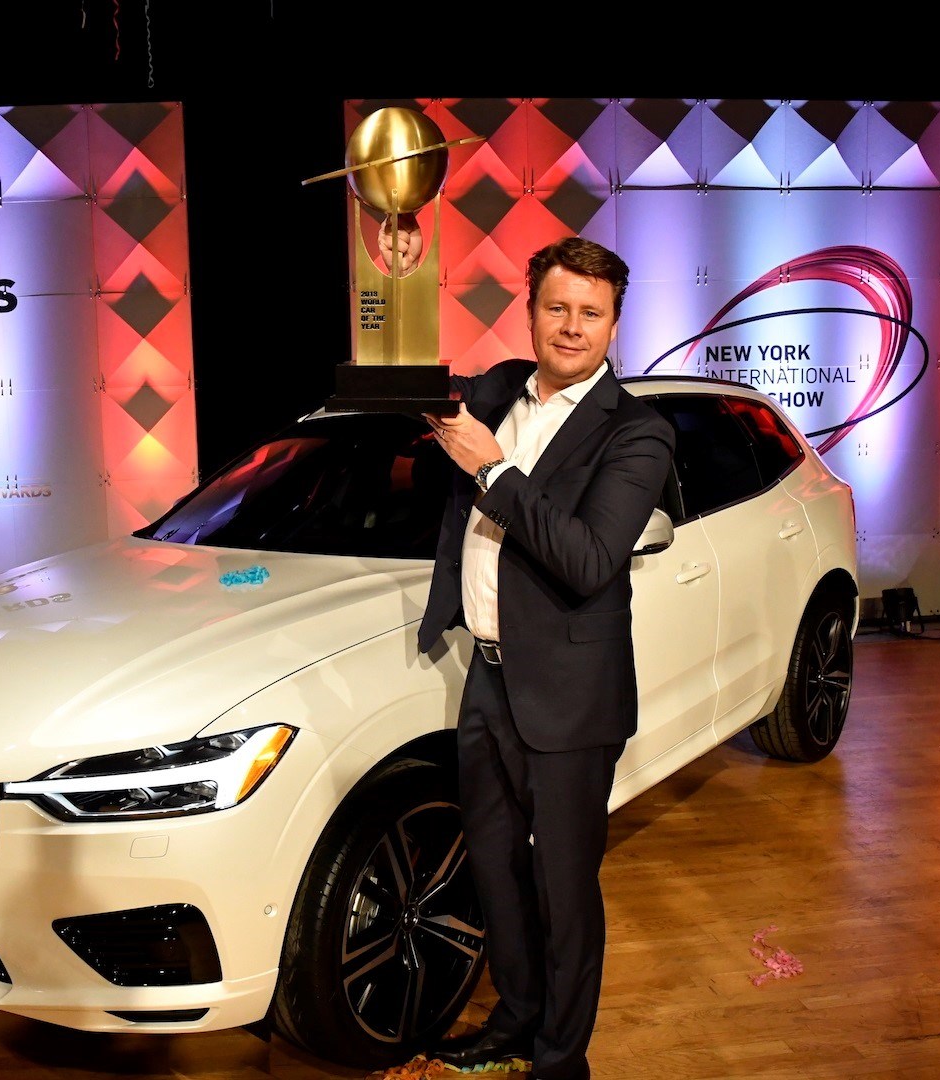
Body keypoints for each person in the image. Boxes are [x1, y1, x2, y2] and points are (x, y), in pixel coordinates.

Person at [415, 235, 675, 1080]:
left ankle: (562, 1061)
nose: (571, 327)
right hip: (486, 679)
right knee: (495, 871)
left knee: (563, 890)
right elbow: (408, 392)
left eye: (590, 313)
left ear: (614, 325)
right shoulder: (498, 391)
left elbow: (589, 559)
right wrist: (397, 270)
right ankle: (517, 1019)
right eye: (556, 307)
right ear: (529, 313)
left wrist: (494, 471)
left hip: (569, 696)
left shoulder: (637, 432)